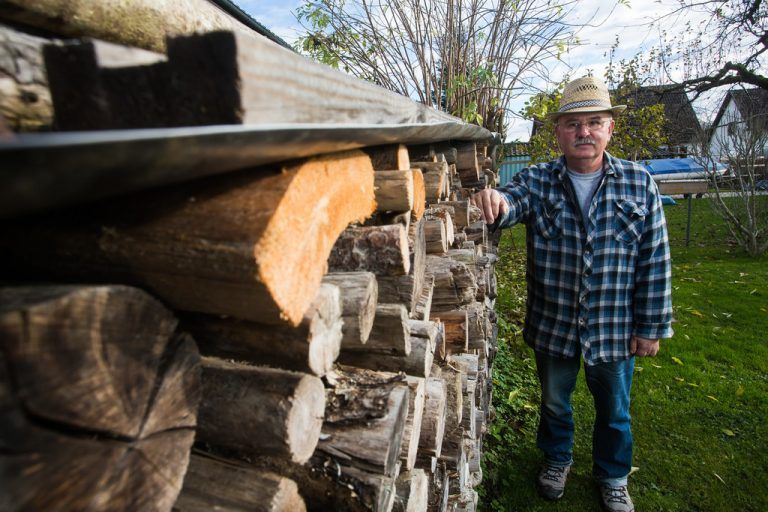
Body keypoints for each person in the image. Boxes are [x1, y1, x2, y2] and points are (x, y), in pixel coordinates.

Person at [472, 76, 673, 512]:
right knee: (554, 404)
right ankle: (557, 459)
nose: (584, 132)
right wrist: (495, 200)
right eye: (573, 124)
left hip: (614, 328)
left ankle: (613, 476)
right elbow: (511, 203)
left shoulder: (639, 183)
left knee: (615, 412)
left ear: (609, 129)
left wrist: (651, 326)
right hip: (555, 323)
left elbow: (655, 259)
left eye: (594, 122)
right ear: (558, 132)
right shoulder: (538, 180)